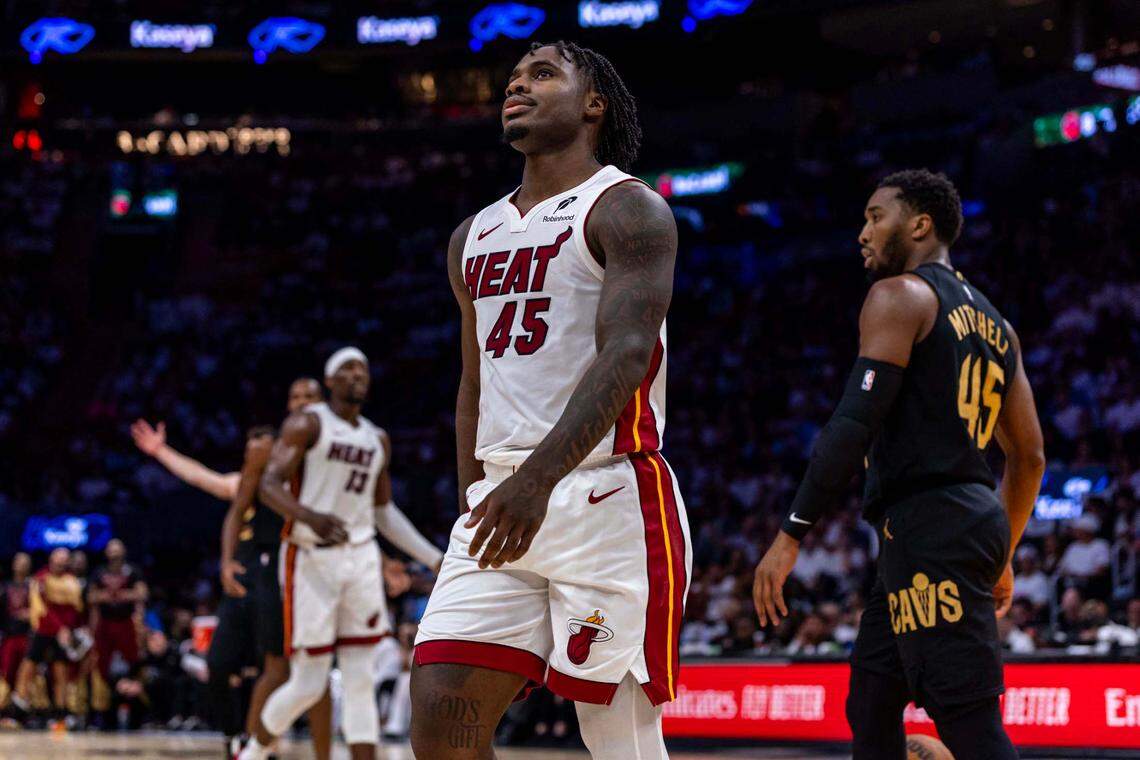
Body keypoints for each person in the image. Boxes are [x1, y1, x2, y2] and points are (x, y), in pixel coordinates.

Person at [410, 41, 689, 760]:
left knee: (618, 738)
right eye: (512, 79)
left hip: (604, 496)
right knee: (442, 723)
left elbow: (627, 355)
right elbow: (474, 380)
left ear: (594, 104)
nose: (517, 87)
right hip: (501, 504)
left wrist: (539, 479)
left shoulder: (628, 209)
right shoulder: (472, 234)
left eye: (542, 75)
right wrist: (476, 490)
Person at [752, 170, 1046, 759]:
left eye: (875, 216)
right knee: (872, 698)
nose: (863, 232)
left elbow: (852, 424)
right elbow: (1030, 456)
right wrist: (1003, 550)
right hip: (946, 525)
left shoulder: (900, 296)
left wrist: (792, 532)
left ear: (919, 224)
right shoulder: (1000, 327)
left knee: (968, 719)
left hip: (931, 522)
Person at [240, 347, 443, 760]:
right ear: (330, 381)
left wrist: (434, 557)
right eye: (348, 368)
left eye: (363, 369)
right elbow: (269, 485)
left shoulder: (376, 438)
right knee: (309, 683)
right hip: (310, 557)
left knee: (360, 678)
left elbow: (384, 512)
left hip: (361, 558)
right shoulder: (307, 424)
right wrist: (308, 516)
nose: (357, 374)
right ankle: (252, 753)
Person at [132, 378, 337, 760]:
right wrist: (162, 453)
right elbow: (202, 478)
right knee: (224, 666)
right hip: (246, 580)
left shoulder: (314, 464)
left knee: (278, 670)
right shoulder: (255, 475)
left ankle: (258, 741)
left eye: (308, 397)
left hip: (289, 575)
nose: (301, 404)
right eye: (294, 397)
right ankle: (239, 739)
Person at [14, 548, 85, 725]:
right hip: (44, 631)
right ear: (51, 560)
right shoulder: (41, 578)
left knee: (60, 672)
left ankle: (60, 712)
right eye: (57, 561)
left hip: (63, 635)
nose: (60, 565)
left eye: (63, 561)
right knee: (28, 665)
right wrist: (60, 628)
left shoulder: (72, 582)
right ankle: (18, 707)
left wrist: (67, 629)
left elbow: (74, 610)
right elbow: (42, 608)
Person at [88, 539, 147, 724]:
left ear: (123, 552)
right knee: (102, 668)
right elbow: (91, 597)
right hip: (105, 625)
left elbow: (142, 594)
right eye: (111, 551)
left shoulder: (133, 571)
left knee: (133, 665)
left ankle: (136, 713)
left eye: (117, 551)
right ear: (106, 553)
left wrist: (115, 596)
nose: (114, 554)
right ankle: (105, 714)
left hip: (126, 624)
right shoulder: (99, 572)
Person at [0, 553, 32, 707]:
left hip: (28, 638)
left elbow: (42, 612)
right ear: (13, 564)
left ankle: (24, 710)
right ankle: (3, 708)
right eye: (19, 562)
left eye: (26, 563)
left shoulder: (33, 588)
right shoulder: (4, 587)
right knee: (6, 673)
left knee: (27, 674)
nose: (22, 565)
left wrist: (31, 614)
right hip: (9, 637)